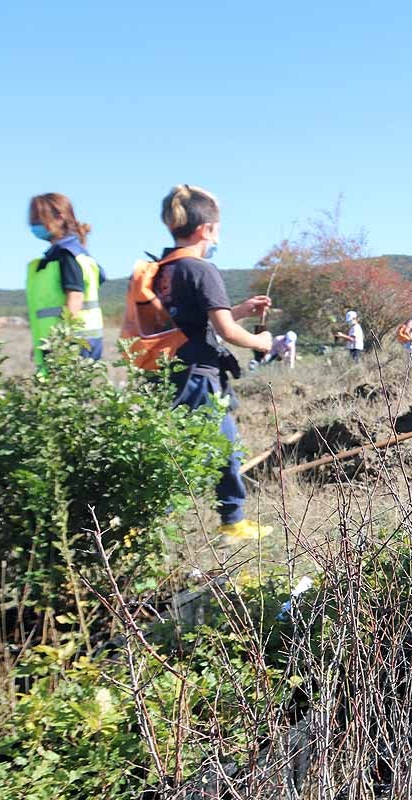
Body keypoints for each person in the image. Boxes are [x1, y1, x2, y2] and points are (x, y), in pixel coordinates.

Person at [156, 184, 274, 540]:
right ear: (206, 228)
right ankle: (232, 523)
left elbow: (193, 322)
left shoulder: (162, 268)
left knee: (184, 449)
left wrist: (239, 310)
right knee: (224, 448)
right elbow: (225, 330)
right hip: (199, 378)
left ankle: (146, 522)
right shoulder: (202, 270)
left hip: (168, 372)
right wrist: (261, 340)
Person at [25, 193, 106, 369]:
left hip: (71, 345)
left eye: (38, 218)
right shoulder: (68, 252)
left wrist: (61, 341)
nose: (33, 224)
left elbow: (75, 298)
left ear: (60, 217)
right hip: (66, 343)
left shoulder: (67, 254)